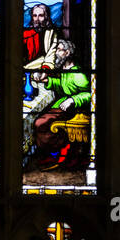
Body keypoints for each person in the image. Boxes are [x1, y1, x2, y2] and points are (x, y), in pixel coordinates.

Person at [31, 39, 90, 170]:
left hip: (75, 109)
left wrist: (73, 100)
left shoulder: (78, 74)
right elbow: (64, 85)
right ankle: (51, 153)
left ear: (67, 52)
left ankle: (56, 154)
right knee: (39, 122)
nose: (56, 53)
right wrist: (48, 80)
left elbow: (90, 94)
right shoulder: (65, 69)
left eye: (59, 50)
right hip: (63, 105)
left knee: (40, 123)